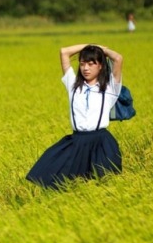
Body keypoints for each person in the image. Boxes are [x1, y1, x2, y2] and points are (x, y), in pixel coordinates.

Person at [26, 43, 123, 189]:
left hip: (101, 142)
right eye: (82, 63)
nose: (85, 68)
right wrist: (91, 46)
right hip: (77, 141)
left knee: (105, 184)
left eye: (91, 64)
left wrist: (101, 50)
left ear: (101, 65)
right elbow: (64, 52)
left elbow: (118, 58)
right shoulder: (73, 85)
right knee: (59, 180)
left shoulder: (110, 88)